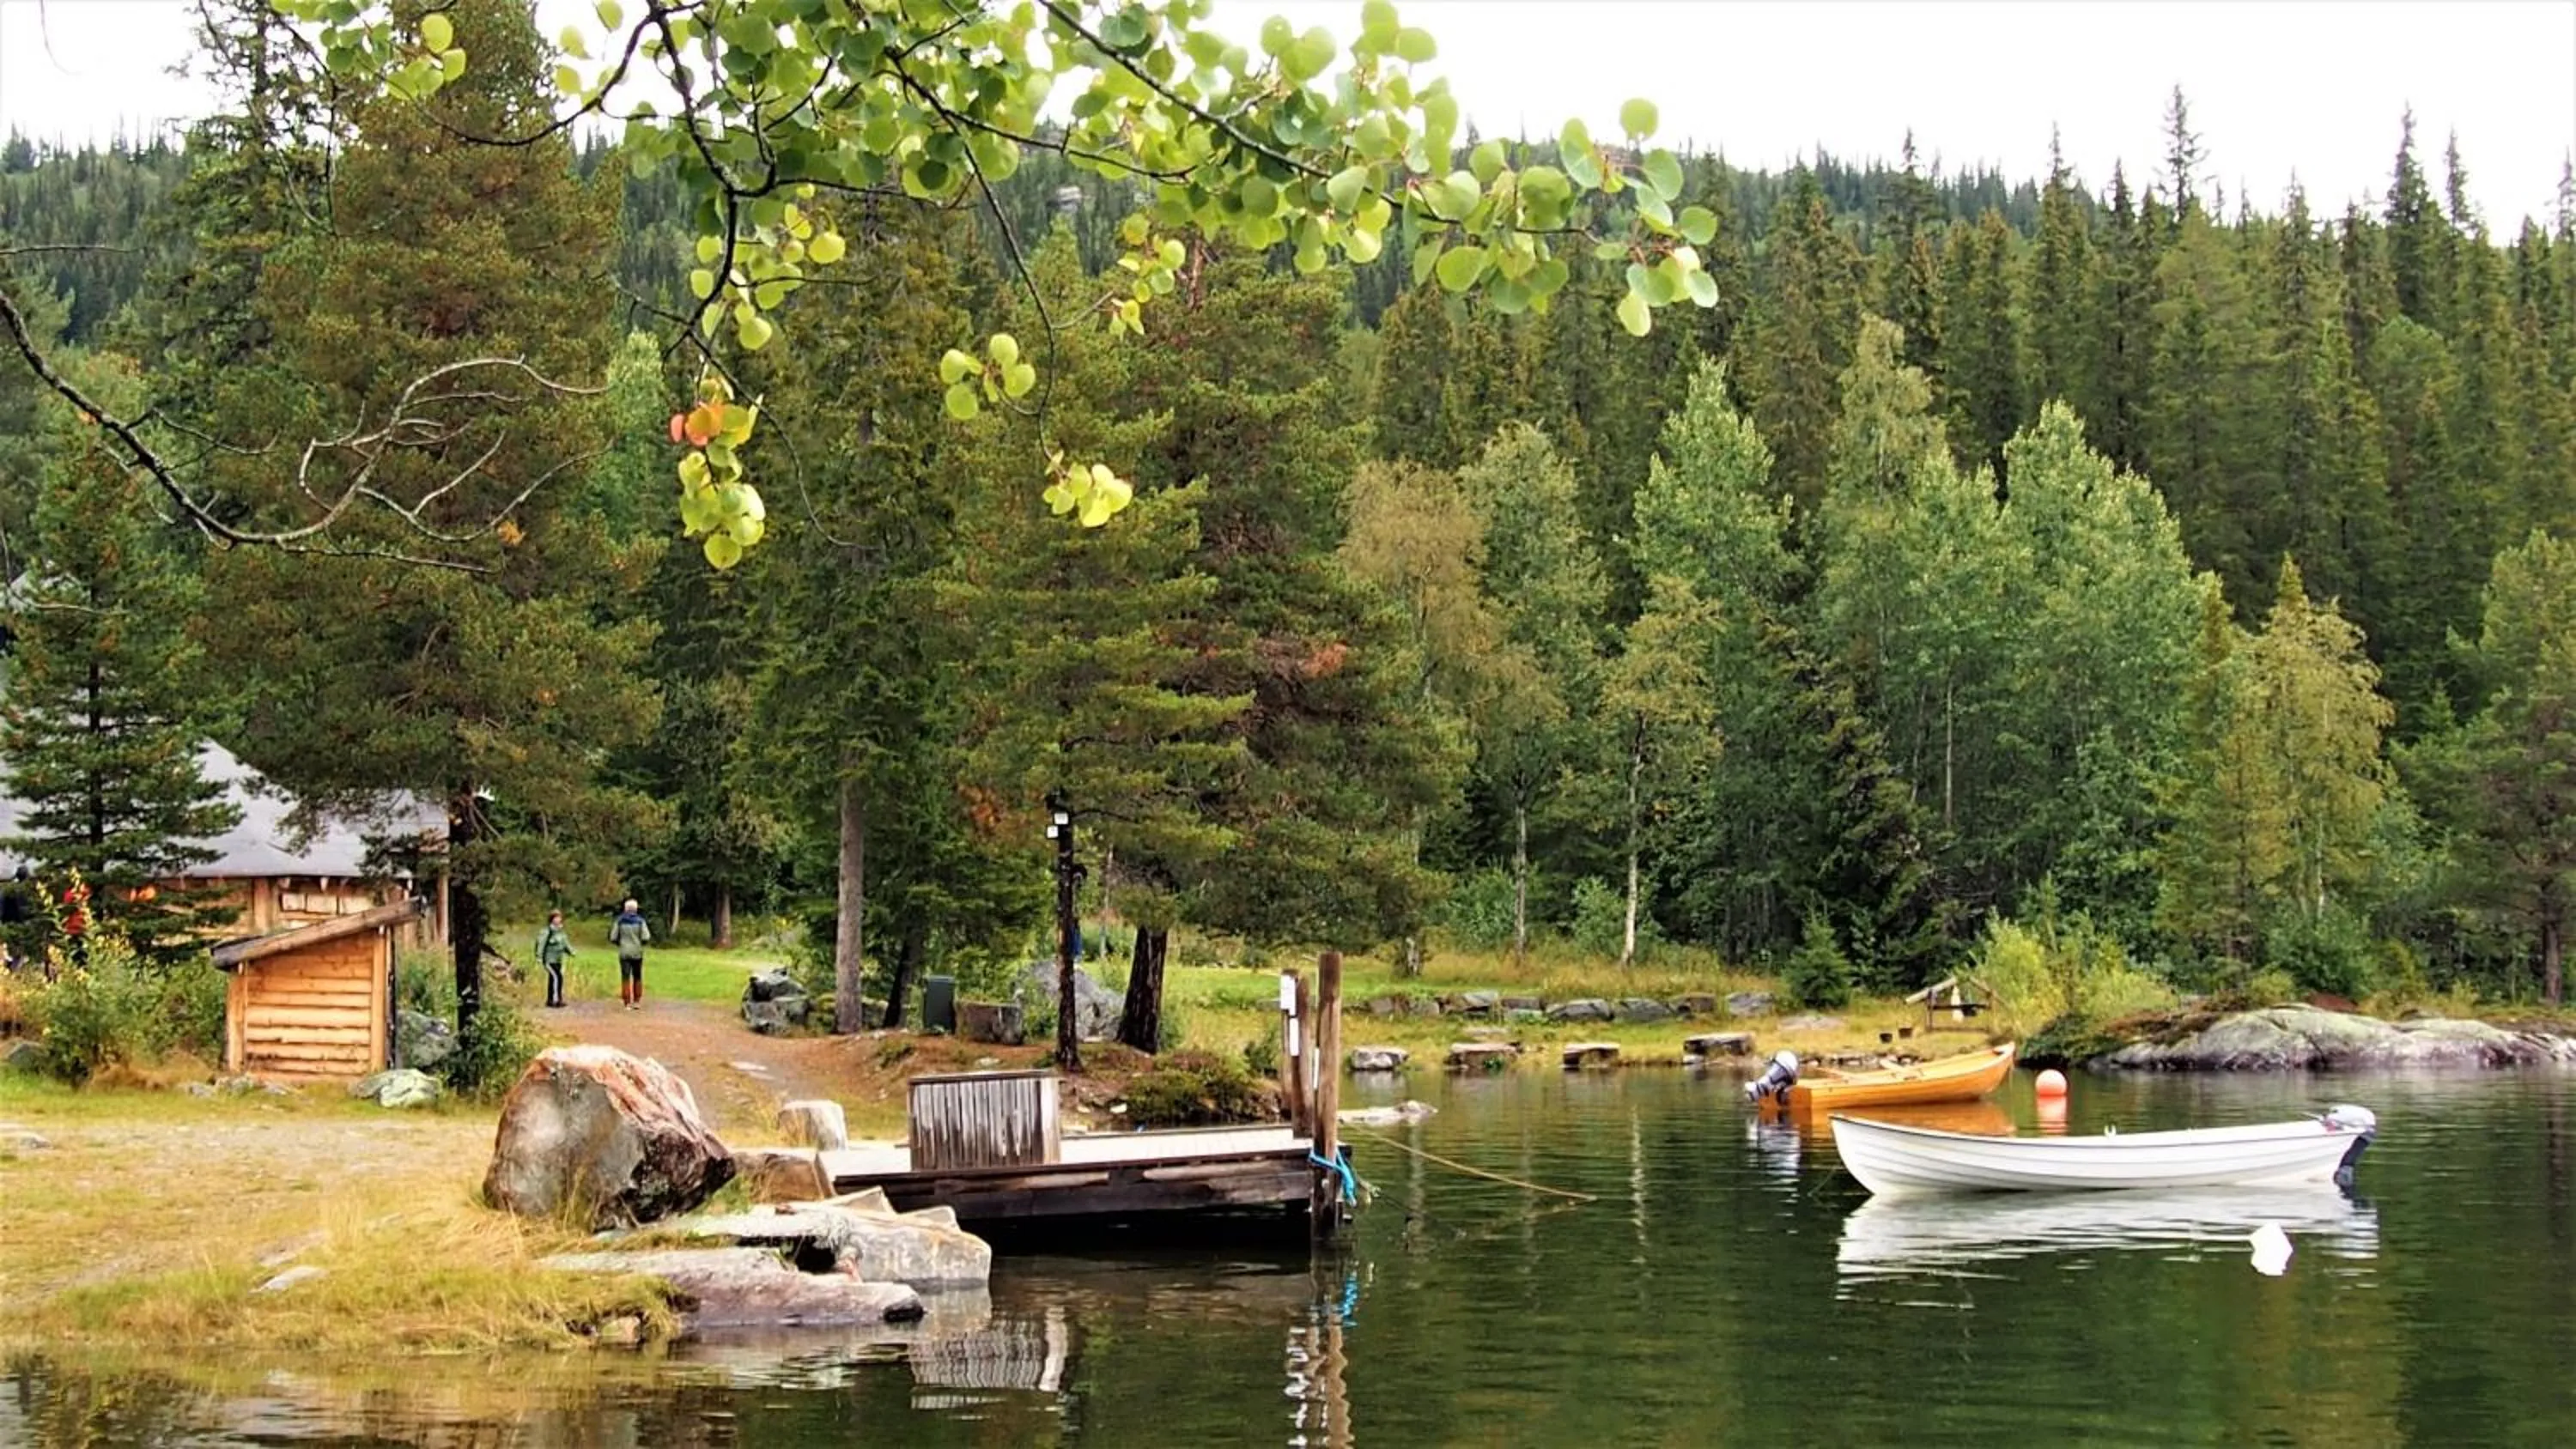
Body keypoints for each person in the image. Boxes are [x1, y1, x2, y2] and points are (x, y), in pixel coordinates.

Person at [609, 898, 652, 1009]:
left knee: (625, 977)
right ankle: (637, 1001)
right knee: (637, 976)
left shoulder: (619, 921)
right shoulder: (640, 921)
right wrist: (640, 943)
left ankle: (627, 1002)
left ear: (625, 909)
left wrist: (620, 943)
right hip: (637, 952)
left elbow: (613, 937)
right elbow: (646, 937)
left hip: (624, 952)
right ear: (636, 909)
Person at [535, 910, 575, 1009]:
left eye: (559, 917)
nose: (558, 920)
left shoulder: (561, 932)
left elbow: (565, 944)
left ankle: (556, 999)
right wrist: (539, 957)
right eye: (556, 918)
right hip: (549, 960)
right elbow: (541, 944)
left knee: (559, 978)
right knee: (555, 977)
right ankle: (554, 1000)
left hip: (558, 960)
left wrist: (571, 952)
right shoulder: (547, 932)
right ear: (551, 919)